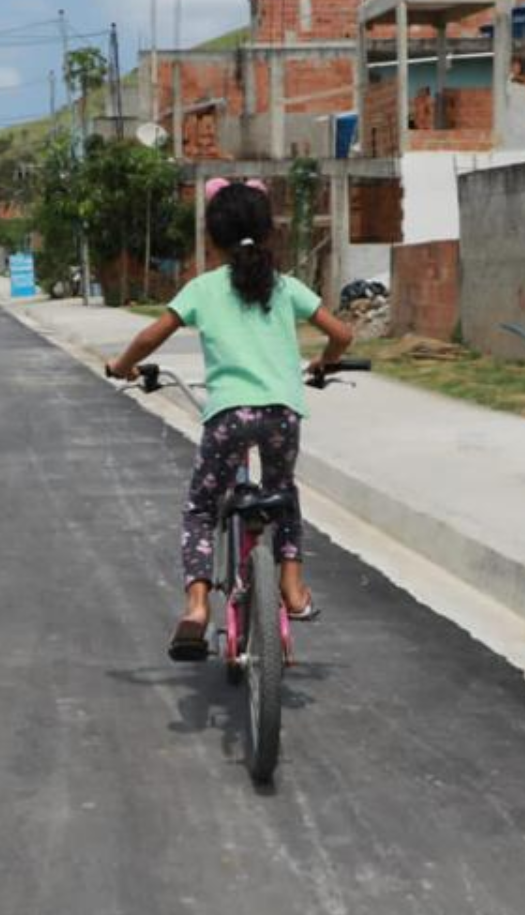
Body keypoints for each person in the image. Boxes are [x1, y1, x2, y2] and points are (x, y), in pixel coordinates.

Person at [106, 178, 354, 662]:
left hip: (228, 415)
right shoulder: (286, 286)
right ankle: (295, 587)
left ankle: (197, 608)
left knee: (201, 507)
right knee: (283, 495)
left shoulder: (202, 288)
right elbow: (342, 333)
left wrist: (122, 366)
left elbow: (147, 337)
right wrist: (325, 363)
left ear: (213, 238)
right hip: (283, 413)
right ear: (267, 233)